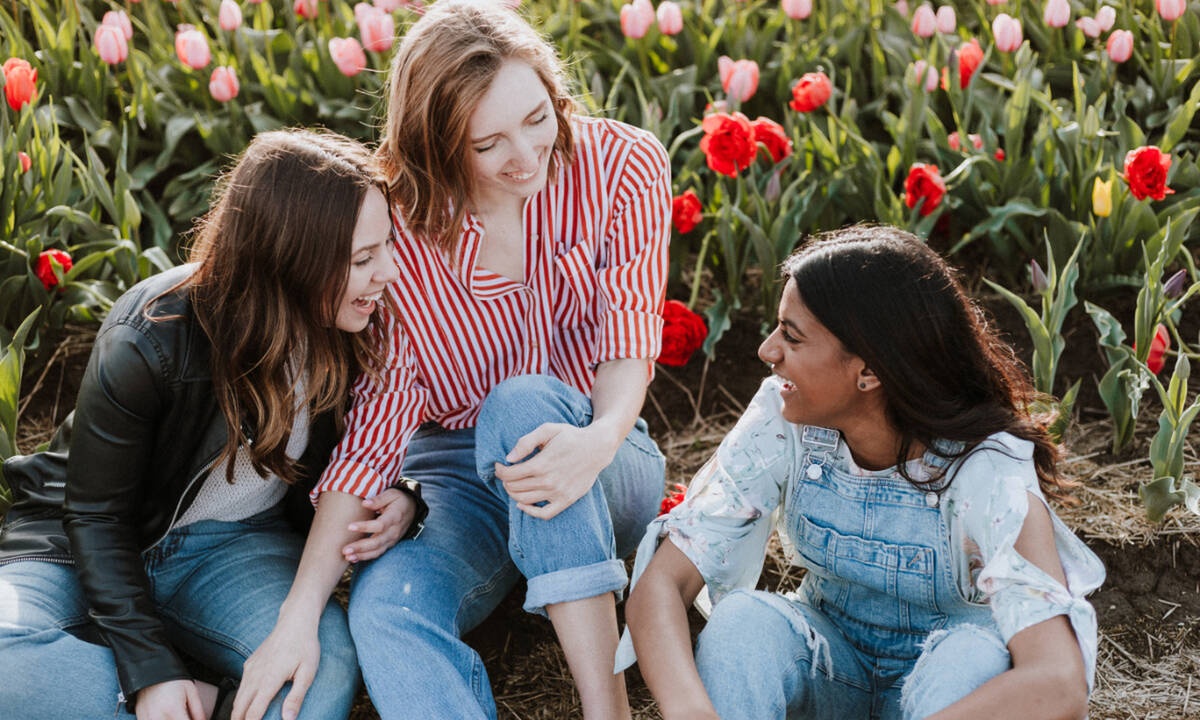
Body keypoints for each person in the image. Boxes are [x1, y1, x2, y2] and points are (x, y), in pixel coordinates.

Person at [311, 1, 671, 717]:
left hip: (602, 452)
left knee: (522, 403)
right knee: (387, 612)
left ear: (552, 87)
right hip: (461, 476)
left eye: (538, 118)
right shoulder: (400, 227)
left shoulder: (623, 165)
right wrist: (303, 608)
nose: (528, 155)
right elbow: (380, 419)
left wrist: (596, 441)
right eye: (488, 145)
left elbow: (630, 343)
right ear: (437, 144)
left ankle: (609, 710)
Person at [0, 129, 417, 720]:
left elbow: (395, 436)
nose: (388, 273)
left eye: (386, 247)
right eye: (362, 259)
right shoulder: (149, 339)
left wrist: (404, 495)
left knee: (319, 668)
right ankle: (188, 702)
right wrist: (150, 674)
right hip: (78, 542)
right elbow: (94, 516)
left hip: (232, 547)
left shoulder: (360, 329)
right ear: (290, 259)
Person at [622, 225, 1106, 720]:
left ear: (869, 371)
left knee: (973, 656)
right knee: (742, 623)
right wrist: (692, 711)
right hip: (831, 668)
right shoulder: (784, 421)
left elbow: (1058, 680)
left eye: (791, 335)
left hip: (948, 697)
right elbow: (661, 586)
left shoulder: (987, 470)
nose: (767, 351)